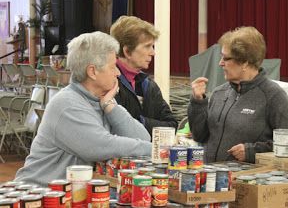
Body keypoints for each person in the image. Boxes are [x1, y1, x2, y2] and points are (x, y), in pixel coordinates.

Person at [15, 31, 152, 186]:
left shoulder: (100, 100)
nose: (118, 73)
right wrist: (156, 150)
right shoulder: (67, 104)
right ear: (92, 71)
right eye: (113, 67)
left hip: (69, 196)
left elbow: (143, 138)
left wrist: (111, 107)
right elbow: (101, 146)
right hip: (38, 195)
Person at [188, 26, 288, 163]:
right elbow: (199, 136)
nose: (220, 63)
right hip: (211, 179)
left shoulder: (272, 95)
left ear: (244, 62)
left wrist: (252, 151)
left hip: (247, 181)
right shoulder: (219, 93)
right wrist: (198, 102)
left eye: (226, 58)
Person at [110, 16, 178, 135]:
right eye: (147, 46)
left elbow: (172, 126)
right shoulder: (107, 84)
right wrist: (152, 126)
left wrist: (140, 122)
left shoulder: (149, 86)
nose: (153, 52)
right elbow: (119, 130)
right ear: (127, 51)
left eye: (152, 46)